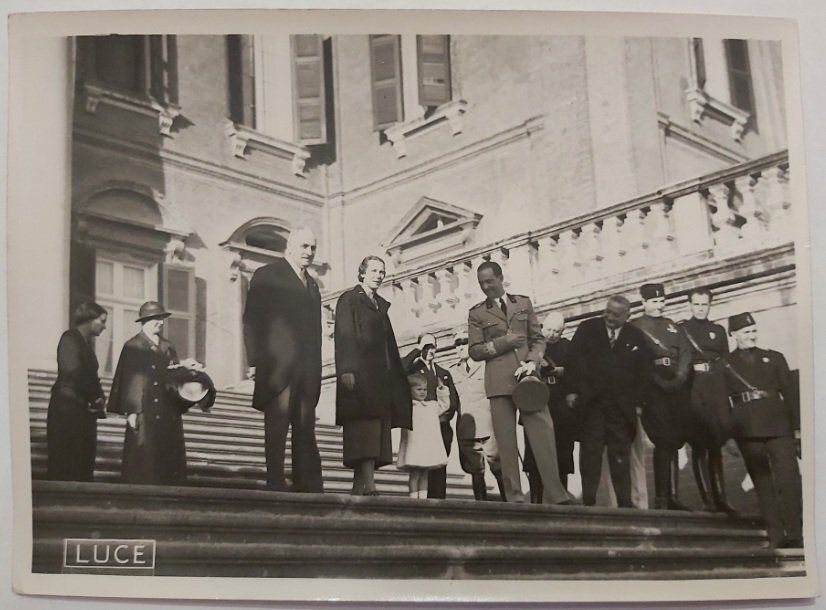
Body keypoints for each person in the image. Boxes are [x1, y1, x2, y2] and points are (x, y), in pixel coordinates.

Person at [467, 261, 573, 505]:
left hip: (528, 378)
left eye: (489, 281)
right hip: (498, 381)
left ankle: (556, 494)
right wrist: (505, 342)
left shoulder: (523, 303)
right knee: (506, 443)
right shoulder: (477, 313)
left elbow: (538, 339)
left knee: (543, 433)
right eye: (481, 283)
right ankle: (514, 496)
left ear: (500, 278)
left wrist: (532, 362)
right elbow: (475, 350)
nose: (485, 287)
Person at [242, 227, 324, 493]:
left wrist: (316, 370)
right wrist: (255, 360)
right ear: (289, 247)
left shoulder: (312, 285)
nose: (309, 253)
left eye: (312, 248)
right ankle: (275, 484)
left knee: (305, 429)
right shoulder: (267, 275)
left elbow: (316, 333)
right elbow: (252, 320)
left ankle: (308, 486)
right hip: (278, 368)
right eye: (303, 247)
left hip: (307, 371)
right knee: (277, 430)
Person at [334, 255, 413, 496]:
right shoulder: (349, 299)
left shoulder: (380, 304)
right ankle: (368, 483)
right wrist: (346, 368)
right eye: (374, 270)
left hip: (380, 378)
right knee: (363, 427)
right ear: (363, 273)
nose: (379, 275)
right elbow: (344, 334)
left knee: (375, 428)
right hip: (359, 375)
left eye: (382, 271)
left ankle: (362, 484)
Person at [724, 312, 802, 548]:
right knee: (762, 483)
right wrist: (728, 436)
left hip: (779, 427)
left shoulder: (775, 358)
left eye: (753, 331)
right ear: (734, 335)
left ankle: (796, 534)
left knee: (789, 480)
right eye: (746, 332)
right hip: (747, 430)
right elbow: (720, 402)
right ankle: (776, 535)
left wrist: (796, 429)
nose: (752, 336)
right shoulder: (725, 364)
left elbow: (790, 395)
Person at [565, 296, 651, 507]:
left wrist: (639, 403)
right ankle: (589, 501)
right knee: (591, 455)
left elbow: (644, 373)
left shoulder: (635, 336)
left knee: (620, 456)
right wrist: (571, 390)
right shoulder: (588, 329)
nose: (609, 317)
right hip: (592, 404)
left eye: (616, 314)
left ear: (627, 316)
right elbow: (572, 360)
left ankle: (624, 503)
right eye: (607, 312)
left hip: (621, 409)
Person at [107, 301, 192, 485]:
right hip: (144, 409)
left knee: (168, 456)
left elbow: (174, 375)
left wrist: (186, 369)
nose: (160, 322)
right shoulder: (132, 345)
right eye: (155, 318)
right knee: (143, 456)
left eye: (161, 318)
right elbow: (129, 379)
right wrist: (131, 411)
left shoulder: (168, 346)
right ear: (144, 321)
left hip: (168, 409)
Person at [632, 283, 692, 510]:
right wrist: (657, 381)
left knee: (675, 438)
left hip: (676, 388)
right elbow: (638, 361)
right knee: (663, 439)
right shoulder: (636, 327)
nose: (659, 305)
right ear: (644, 303)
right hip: (653, 390)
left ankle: (673, 495)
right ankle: (662, 497)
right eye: (654, 302)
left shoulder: (673, 327)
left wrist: (679, 377)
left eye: (662, 301)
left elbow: (685, 353)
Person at [679, 288, 737, 515]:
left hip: (716, 388)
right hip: (695, 387)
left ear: (710, 305)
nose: (700, 308)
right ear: (690, 305)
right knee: (700, 444)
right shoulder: (682, 329)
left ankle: (722, 498)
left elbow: (725, 360)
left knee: (716, 442)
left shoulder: (718, 330)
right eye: (696, 304)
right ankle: (708, 501)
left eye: (704, 304)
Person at [46, 302, 108, 482]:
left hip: (82, 410)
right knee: (66, 460)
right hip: (67, 408)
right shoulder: (70, 338)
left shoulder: (86, 344)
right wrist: (94, 397)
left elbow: (90, 377)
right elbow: (73, 372)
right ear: (89, 319)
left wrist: (99, 397)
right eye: (102, 321)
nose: (104, 326)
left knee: (82, 461)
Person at [523, 312, 577, 503]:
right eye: (549, 329)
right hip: (537, 401)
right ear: (542, 327)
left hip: (560, 405)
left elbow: (579, 370)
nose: (552, 334)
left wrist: (563, 371)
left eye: (557, 331)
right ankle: (536, 499)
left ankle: (562, 497)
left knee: (562, 453)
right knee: (535, 453)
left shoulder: (568, 347)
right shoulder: (532, 345)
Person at [401, 333, 460, 499]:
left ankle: (437, 504)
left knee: (438, 469)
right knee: (420, 468)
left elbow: (452, 401)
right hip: (420, 427)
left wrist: (441, 418)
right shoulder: (412, 369)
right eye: (427, 346)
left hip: (440, 425)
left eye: (433, 346)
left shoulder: (443, 372)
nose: (430, 350)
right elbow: (399, 369)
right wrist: (417, 350)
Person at [450, 328, 506, 501]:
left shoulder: (487, 366)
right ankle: (481, 508)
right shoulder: (451, 372)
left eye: (464, 342)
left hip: (490, 428)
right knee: (476, 472)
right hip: (467, 431)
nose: (460, 347)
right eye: (457, 344)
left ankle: (510, 506)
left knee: (499, 469)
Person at [397, 373, 451, 498]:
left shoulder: (431, 406)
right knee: (415, 474)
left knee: (425, 474)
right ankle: (413, 499)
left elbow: (444, 405)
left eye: (425, 389)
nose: (422, 392)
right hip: (414, 447)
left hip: (427, 447)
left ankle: (423, 499)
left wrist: (442, 390)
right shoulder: (407, 407)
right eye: (418, 389)